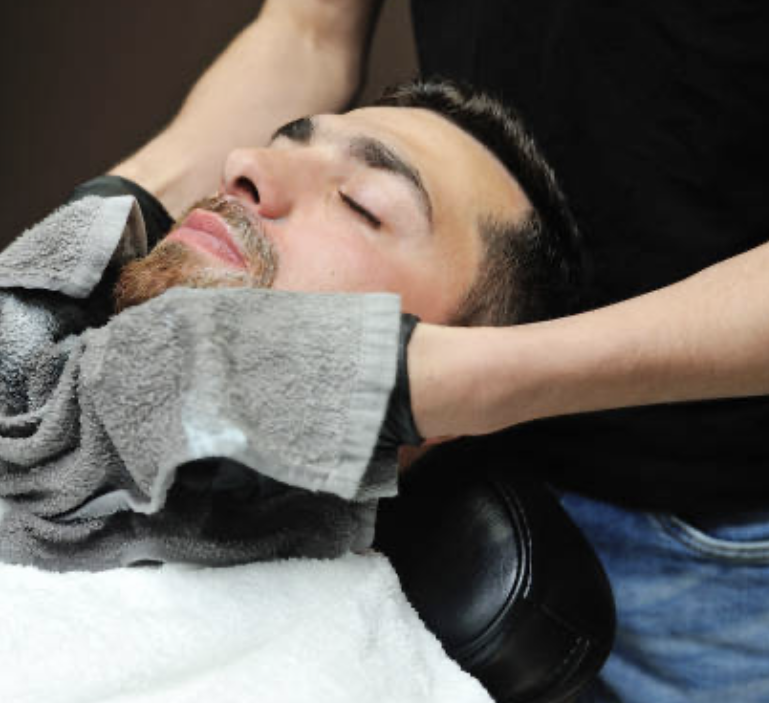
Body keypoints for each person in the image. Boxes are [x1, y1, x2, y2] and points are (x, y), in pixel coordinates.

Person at [109, 2, 769, 702]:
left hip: (712, 513)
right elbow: (307, 32)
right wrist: (102, 215)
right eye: (281, 144)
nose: (242, 163)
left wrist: (475, 377)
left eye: (363, 202)